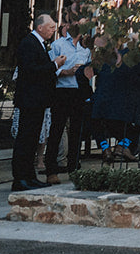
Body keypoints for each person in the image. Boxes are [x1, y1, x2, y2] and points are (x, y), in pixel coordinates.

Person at [12, 14, 58, 190]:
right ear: (40, 27)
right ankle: (20, 178)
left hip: (37, 100)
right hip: (29, 99)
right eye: (51, 27)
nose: (53, 30)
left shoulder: (39, 44)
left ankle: (29, 176)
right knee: (25, 139)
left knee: (32, 140)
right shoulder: (29, 43)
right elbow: (32, 70)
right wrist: (54, 65)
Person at [46, 23, 92, 181]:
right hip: (62, 91)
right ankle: (51, 169)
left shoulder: (85, 48)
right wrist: (65, 71)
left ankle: (74, 168)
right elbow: (49, 68)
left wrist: (85, 72)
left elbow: (90, 69)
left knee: (77, 131)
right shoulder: (58, 45)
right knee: (57, 129)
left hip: (79, 91)